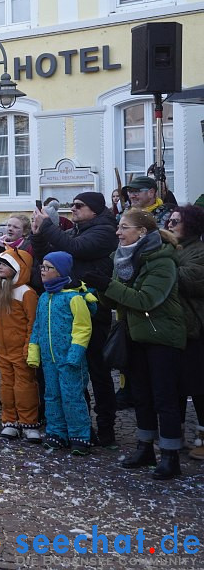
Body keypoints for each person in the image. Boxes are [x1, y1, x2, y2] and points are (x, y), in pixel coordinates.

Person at [82, 208, 185, 480]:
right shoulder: (121, 257)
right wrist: (101, 289)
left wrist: (108, 285)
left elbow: (146, 300)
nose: (118, 232)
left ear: (142, 231)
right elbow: (118, 300)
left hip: (161, 336)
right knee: (141, 396)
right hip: (134, 336)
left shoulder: (163, 260)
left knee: (164, 398)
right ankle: (145, 448)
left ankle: (171, 456)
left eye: (124, 227)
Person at [30, 191, 118, 447]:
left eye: (79, 206)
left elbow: (75, 249)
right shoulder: (76, 231)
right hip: (68, 313)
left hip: (94, 311)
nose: (73, 210)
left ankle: (106, 428)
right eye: (72, 205)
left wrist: (48, 226)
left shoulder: (103, 231)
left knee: (98, 372)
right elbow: (49, 253)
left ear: (94, 209)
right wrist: (37, 234)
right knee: (73, 371)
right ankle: (80, 426)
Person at [28, 251, 96, 456]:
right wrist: (34, 351)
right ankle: (56, 432)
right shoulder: (44, 298)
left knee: (72, 396)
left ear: (60, 272)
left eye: (48, 268)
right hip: (49, 358)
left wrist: (75, 354)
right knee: (52, 395)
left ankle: (80, 434)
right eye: (42, 267)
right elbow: (38, 326)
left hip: (68, 359)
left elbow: (83, 328)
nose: (43, 271)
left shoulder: (74, 298)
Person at [0, 247, 40, 441]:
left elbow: (32, 323)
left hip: (21, 351)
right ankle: (10, 420)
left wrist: (29, 348)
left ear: (18, 267)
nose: (1, 267)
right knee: (6, 387)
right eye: (0, 264)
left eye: (6, 264)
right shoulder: (0, 291)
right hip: (4, 352)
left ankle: (29, 422)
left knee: (25, 388)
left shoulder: (26, 293)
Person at [167, 205, 204, 462]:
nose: (169, 225)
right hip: (171, 328)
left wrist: (159, 269)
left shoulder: (199, 251)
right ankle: (174, 434)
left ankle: (202, 435)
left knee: (198, 387)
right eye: (168, 220)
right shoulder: (169, 249)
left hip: (194, 328)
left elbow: (192, 278)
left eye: (176, 221)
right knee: (173, 386)